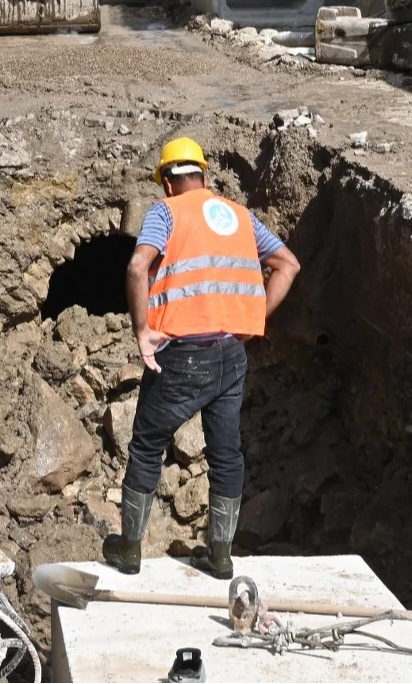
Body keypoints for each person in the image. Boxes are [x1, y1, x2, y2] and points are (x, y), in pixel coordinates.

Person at [102, 137, 300, 580]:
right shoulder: (240, 216)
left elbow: (136, 267)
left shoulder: (166, 212)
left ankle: (129, 550)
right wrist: (254, 320)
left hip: (182, 356)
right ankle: (220, 556)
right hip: (231, 355)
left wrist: (142, 332)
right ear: (204, 177)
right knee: (227, 455)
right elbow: (288, 265)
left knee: (147, 445)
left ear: (167, 182)